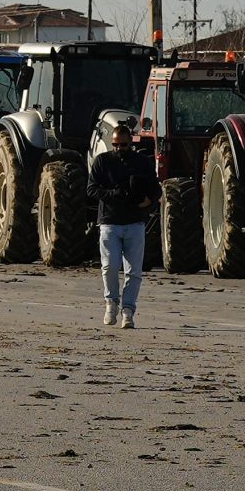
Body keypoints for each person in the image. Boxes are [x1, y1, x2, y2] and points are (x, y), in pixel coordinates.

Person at [88, 115, 161, 331]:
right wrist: (113, 193)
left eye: (124, 145)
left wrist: (148, 201)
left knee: (134, 271)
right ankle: (111, 303)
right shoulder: (102, 161)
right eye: (116, 145)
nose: (119, 148)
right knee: (109, 266)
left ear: (131, 143)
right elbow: (91, 189)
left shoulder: (142, 162)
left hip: (135, 223)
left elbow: (155, 189)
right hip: (109, 222)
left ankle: (128, 311)